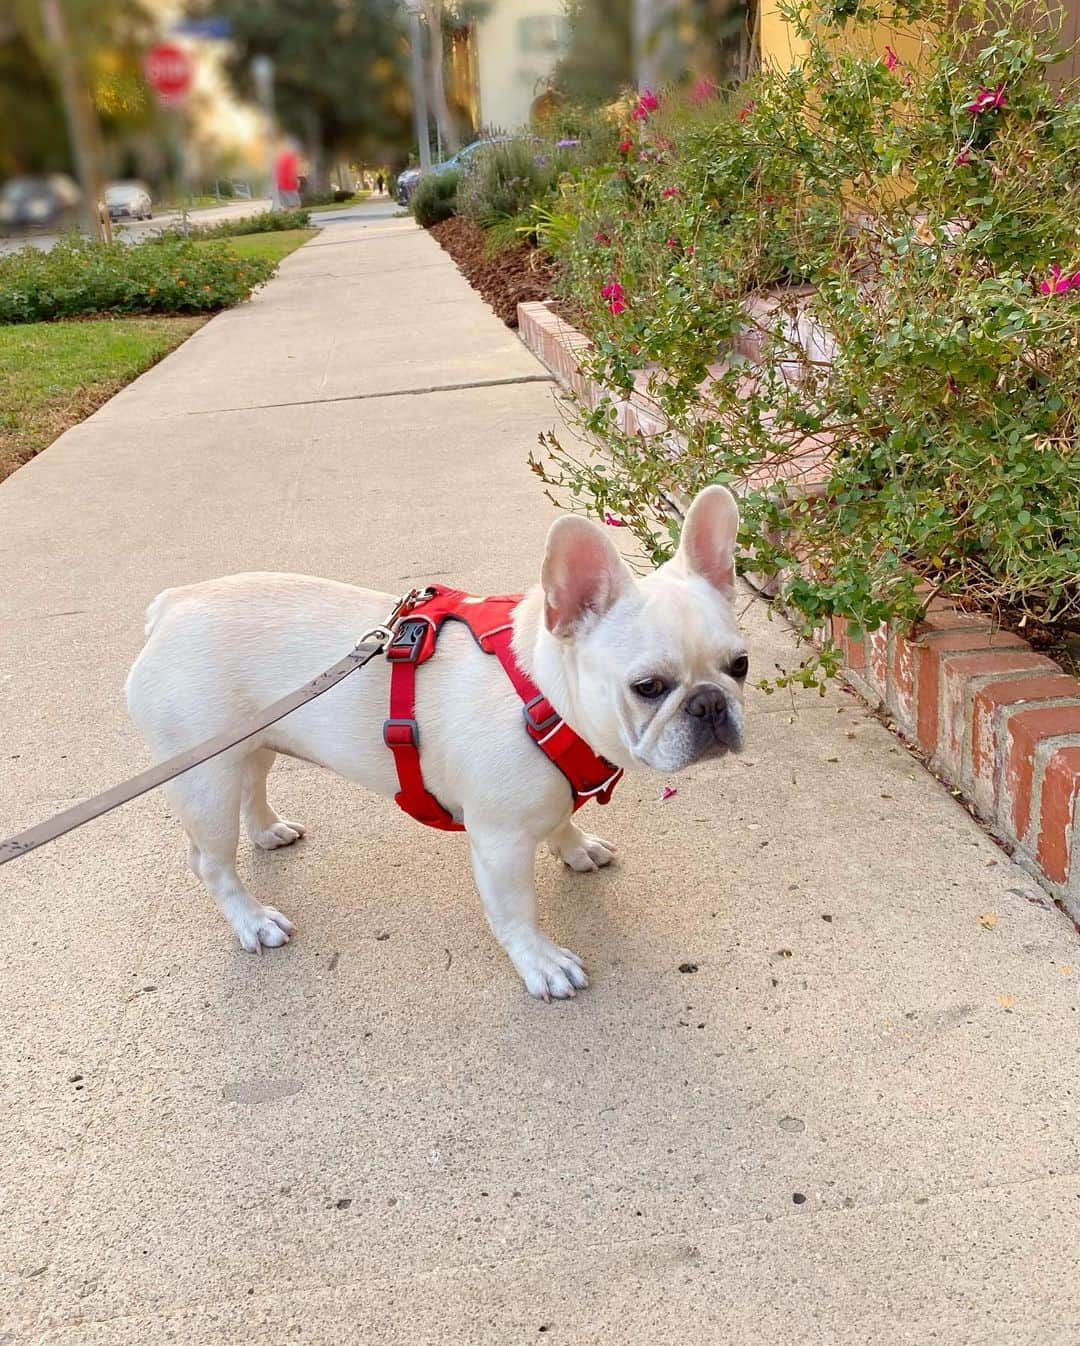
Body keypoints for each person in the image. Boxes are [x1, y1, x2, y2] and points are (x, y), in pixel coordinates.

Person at [275, 143, 301, 209]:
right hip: (289, 186)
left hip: (280, 186)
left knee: (286, 206)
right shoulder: (292, 158)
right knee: (296, 204)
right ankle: (293, 218)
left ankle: (288, 218)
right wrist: (296, 181)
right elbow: (291, 172)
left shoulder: (280, 157)